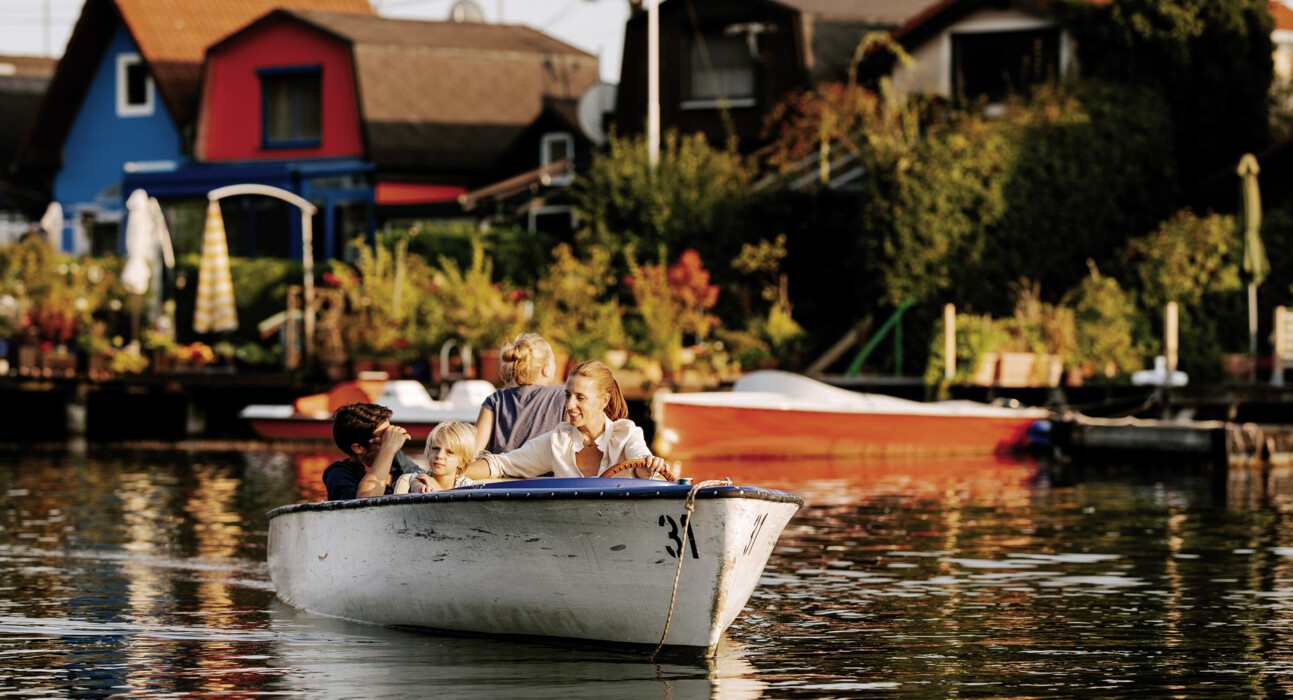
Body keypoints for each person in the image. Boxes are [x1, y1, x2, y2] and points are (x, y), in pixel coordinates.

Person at [463, 360, 672, 481]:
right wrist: (448, 475)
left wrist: (648, 467)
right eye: (567, 395)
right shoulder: (558, 441)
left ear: (603, 400)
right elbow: (502, 464)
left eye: (580, 397)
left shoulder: (627, 434)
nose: (569, 405)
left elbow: (641, 462)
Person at [473, 333, 567, 455]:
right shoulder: (564, 396)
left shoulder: (495, 400)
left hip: (500, 473)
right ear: (546, 369)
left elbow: (473, 452)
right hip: (548, 474)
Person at [322, 402, 413, 500]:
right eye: (384, 437)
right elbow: (366, 504)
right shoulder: (337, 474)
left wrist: (417, 482)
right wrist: (388, 449)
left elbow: (425, 476)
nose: (391, 440)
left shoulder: (396, 457)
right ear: (358, 448)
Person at [395, 420, 479, 493]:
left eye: (449, 452)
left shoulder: (468, 486)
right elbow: (416, 485)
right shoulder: (421, 477)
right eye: (435, 448)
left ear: (462, 462)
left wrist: (436, 486)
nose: (439, 456)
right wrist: (421, 488)